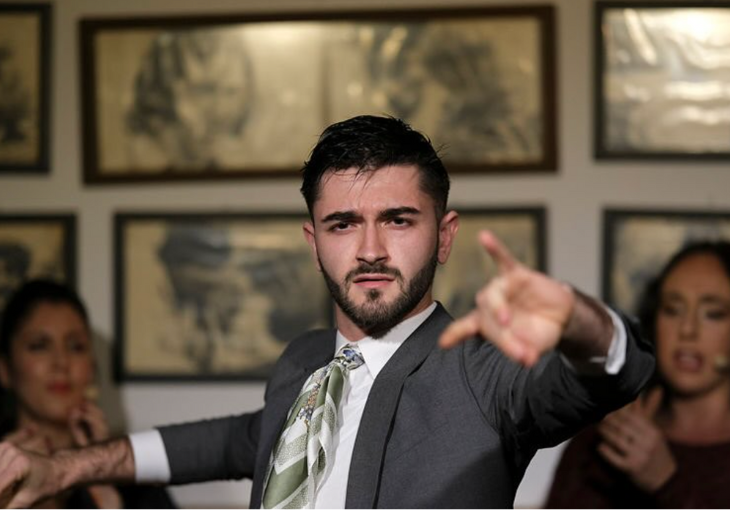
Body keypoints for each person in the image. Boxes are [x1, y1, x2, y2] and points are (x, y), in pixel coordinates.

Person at [0, 115, 654, 509]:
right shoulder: (304, 362)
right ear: (314, 242)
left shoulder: (486, 373)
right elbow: (230, 441)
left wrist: (577, 319)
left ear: (444, 235)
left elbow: (619, 372)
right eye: (343, 224)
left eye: (398, 220)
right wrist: (67, 467)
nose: (370, 250)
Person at [546, 241, 730, 508]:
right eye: (672, 310)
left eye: (713, 314)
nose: (687, 330)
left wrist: (666, 483)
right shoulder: (602, 437)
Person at [0, 279, 175, 508]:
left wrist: (106, 491)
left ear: (92, 368)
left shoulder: (135, 474)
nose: (61, 362)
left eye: (76, 347)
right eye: (39, 345)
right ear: (5, 369)